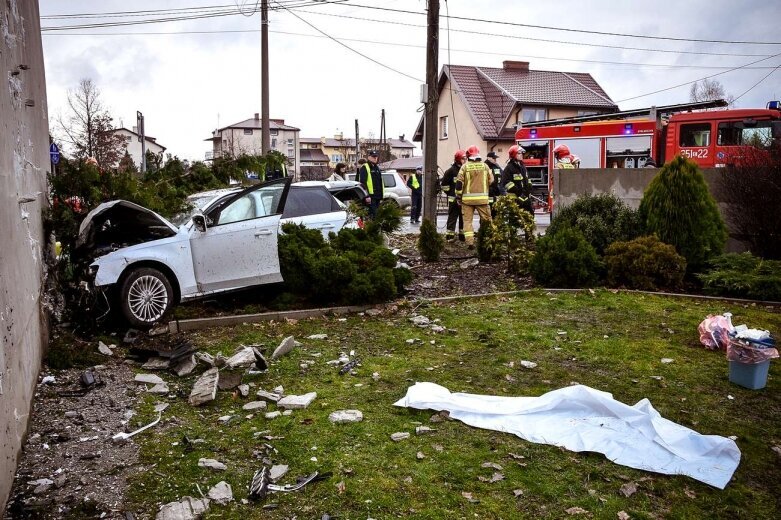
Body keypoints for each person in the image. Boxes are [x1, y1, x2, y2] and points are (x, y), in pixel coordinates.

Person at [456, 145, 493, 249]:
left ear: (468, 156)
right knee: (486, 220)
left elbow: (459, 184)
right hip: (483, 200)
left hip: (467, 201)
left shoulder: (464, 167)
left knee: (467, 221)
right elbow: (491, 180)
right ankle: (488, 240)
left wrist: (458, 196)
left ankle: (470, 243)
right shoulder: (485, 166)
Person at [440, 150, 466, 241]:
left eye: (465, 158)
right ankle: (450, 237)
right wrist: (451, 193)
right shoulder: (450, 171)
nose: (465, 160)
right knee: (452, 219)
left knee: (463, 219)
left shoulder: (465, 170)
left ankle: (462, 237)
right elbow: (444, 185)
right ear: (458, 159)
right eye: (463, 158)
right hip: (453, 200)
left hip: (463, 200)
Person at [501, 145, 533, 214]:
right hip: (514, 199)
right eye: (519, 153)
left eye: (521, 153)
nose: (521, 155)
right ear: (513, 154)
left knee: (530, 215)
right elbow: (506, 183)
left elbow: (528, 179)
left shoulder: (522, 167)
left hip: (525, 197)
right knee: (515, 218)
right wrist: (519, 193)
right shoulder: (509, 168)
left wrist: (528, 190)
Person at [358, 150, 384, 218]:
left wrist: (381, 196)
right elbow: (363, 183)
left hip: (378, 195)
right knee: (373, 215)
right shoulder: (365, 167)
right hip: (370, 196)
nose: (375, 158)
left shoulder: (377, 167)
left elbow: (379, 181)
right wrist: (366, 196)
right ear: (369, 157)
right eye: (373, 157)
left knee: (377, 215)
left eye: (376, 157)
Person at [485, 151, 505, 217]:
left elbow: (502, 178)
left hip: (497, 193)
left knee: (496, 213)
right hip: (488, 194)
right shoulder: (484, 167)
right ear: (488, 158)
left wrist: (502, 192)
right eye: (494, 158)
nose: (495, 160)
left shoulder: (497, 167)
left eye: (495, 158)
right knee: (487, 213)